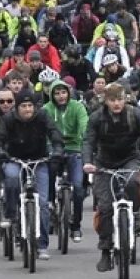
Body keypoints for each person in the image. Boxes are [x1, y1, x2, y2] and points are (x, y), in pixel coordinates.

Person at [83, 82, 140, 272]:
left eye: (119, 99)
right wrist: (87, 162)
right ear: (106, 101)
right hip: (104, 163)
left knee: (134, 183)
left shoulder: (136, 114)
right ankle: (105, 251)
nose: (116, 103)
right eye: (112, 100)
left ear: (125, 98)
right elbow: (88, 141)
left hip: (130, 159)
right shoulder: (96, 118)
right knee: (105, 207)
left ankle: (136, 219)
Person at [0, 89, 64, 259]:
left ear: (35, 107)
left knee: (43, 203)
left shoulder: (42, 117)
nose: (27, 109)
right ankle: (10, 215)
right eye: (23, 106)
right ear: (17, 107)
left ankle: (42, 245)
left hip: (39, 161)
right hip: (14, 159)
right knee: (11, 179)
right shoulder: (9, 119)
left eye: (30, 106)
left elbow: (54, 133)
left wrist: (58, 148)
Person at [42, 78, 89, 242]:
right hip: (53, 148)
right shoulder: (46, 109)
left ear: (69, 93)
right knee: (49, 173)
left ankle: (76, 226)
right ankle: (50, 204)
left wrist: (85, 138)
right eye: (57, 93)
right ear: (51, 95)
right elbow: (43, 130)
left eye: (63, 92)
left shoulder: (77, 107)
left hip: (74, 148)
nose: (60, 96)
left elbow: (84, 125)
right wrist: (49, 147)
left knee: (77, 187)